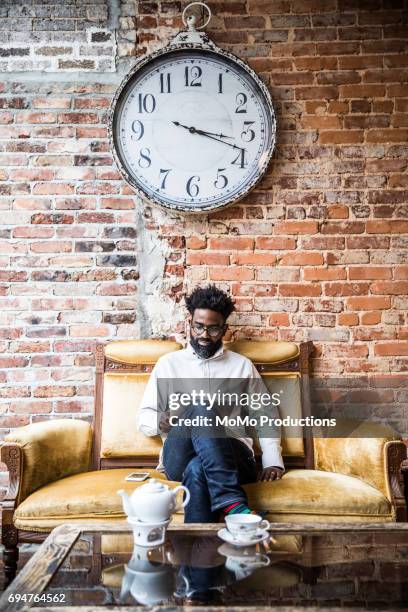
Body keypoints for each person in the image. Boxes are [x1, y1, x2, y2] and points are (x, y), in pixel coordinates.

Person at [137, 284, 284, 522]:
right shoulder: (168, 364)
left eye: (213, 329)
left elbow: (264, 414)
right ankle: (232, 502)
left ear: (224, 329)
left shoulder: (241, 366)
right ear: (190, 325)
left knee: (197, 469)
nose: (205, 335)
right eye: (199, 327)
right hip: (179, 454)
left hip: (234, 455)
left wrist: (272, 461)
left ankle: (195, 553)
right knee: (201, 408)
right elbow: (144, 416)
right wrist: (159, 421)